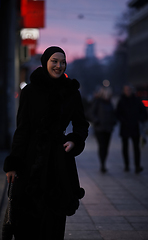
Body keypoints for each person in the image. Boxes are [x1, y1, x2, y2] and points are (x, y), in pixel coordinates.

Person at [2, 46, 89, 240]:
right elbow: (22, 129)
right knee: (27, 220)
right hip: (29, 160)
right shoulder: (30, 91)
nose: (59, 66)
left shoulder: (71, 92)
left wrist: (74, 140)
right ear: (45, 62)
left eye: (63, 62)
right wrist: (13, 164)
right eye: (54, 61)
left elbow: (81, 124)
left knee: (54, 219)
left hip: (58, 161)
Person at [116, 85, 148, 173]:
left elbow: (143, 112)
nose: (128, 91)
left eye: (129, 90)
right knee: (125, 147)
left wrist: (139, 119)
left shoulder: (136, 100)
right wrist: (123, 120)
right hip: (125, 127)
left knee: (136, 147)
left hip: (134, 127)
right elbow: (118, 114)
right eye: (126, 90)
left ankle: (137, 165)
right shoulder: (121, 101)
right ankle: (127, 165)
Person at [89, 87, 116, 173]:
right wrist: (96, 121)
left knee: (106, 147)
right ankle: (102, 164)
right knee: (102, 146)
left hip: (108, 128)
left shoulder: (110, 103)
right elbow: (91, 113)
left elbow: (113, 114)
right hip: (99, 128)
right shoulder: (98, 102)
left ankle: (103, 162)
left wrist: (113, 121)